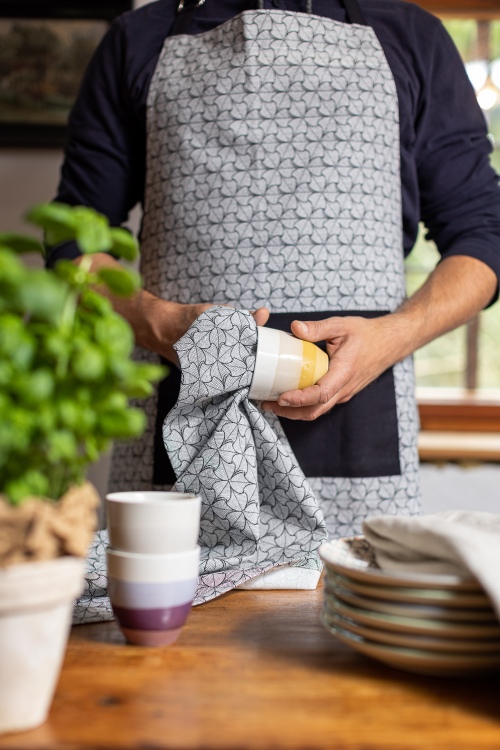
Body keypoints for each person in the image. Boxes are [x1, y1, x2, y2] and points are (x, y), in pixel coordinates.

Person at [49, 0, 500, 539]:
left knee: (354, 615)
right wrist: (157, 322)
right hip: (190, 417)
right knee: (174, 617)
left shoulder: (413, 37)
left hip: (358, 423)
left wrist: (393, 336)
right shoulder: (136, 40)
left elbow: (484, 236)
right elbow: (72, 239)